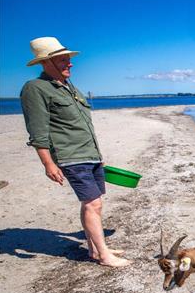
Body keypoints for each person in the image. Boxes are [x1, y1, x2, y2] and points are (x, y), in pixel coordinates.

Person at [21, 37, 130, 267]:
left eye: (68, 59)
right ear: (46, 62)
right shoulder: (35, 89)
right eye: (63, 60)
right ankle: (103, 255)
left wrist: (98, 155)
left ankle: (94, 248)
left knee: (93, 202)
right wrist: (48, 163)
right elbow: (38, 130)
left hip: (90, 154)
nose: (69, 64)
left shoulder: (70, 87)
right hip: (71, 156)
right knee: (93, 204)